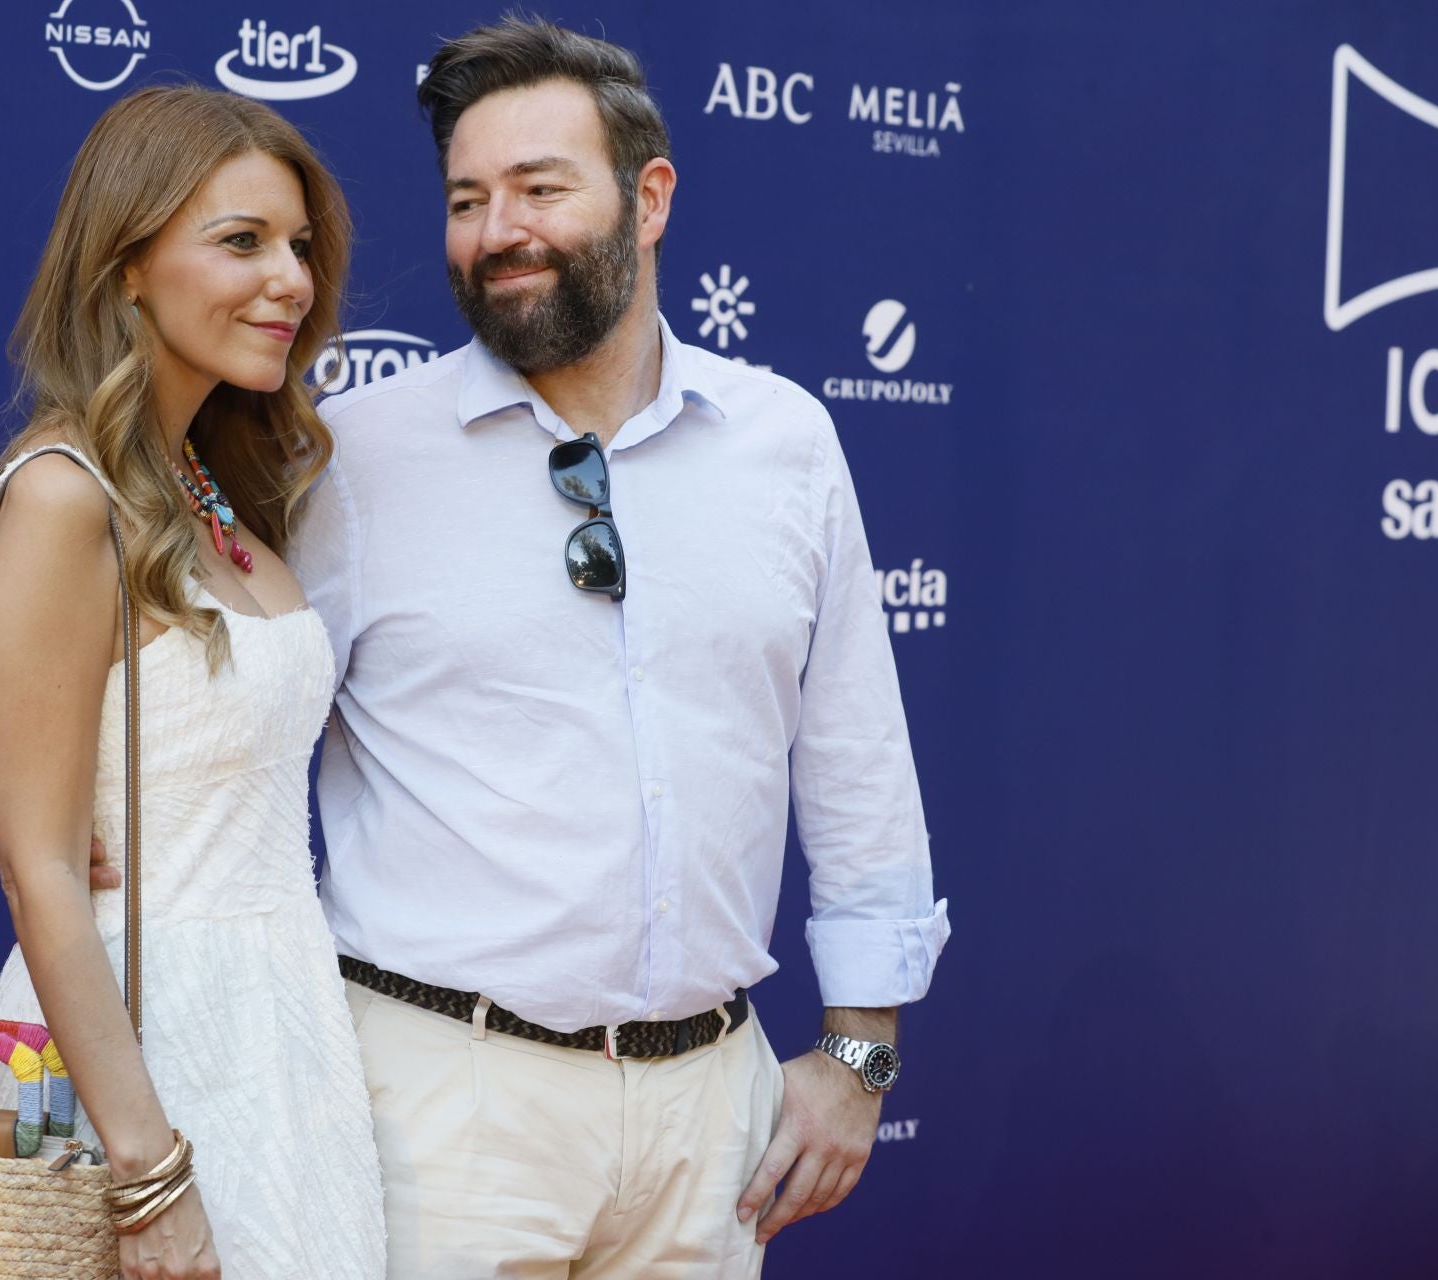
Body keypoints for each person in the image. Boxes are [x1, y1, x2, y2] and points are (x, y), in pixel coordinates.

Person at [292, 18, 949, 1278]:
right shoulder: (353, 459)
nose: (500, 232)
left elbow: (859, 761)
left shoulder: (787, 443)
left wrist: (861, 1053)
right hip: (434, 1116)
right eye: (468, 199)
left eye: (541, 188)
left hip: (715, 1123)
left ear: (649, 199)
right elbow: (240, 765)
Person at [0, 85, 384, 1280]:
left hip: (285, 1029)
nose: (291, 280)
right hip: (142, 1058)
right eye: (241, 241)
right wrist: (148, 1170)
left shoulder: (210, 487)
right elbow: (36, 863)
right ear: (127, 264)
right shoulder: (60, 496)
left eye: (300, 245)